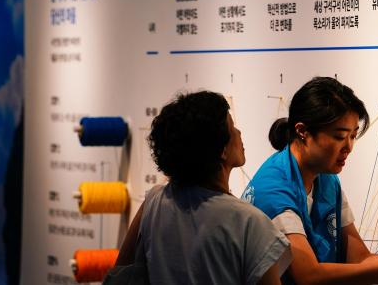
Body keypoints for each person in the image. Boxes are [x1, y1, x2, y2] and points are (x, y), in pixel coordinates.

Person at [243, 77, 378, 284]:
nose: (349, 147)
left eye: (353, 135)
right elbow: (307, 275)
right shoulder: (273, 191)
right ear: (303, 131)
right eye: (339, 136)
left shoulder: (326, 177)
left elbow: (359, 259)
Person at [115, 91, 290, 284]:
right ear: (222, 151)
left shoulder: (155, 201)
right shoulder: (249, 221)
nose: (239, 133)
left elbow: (120, 273)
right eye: (233, 128)